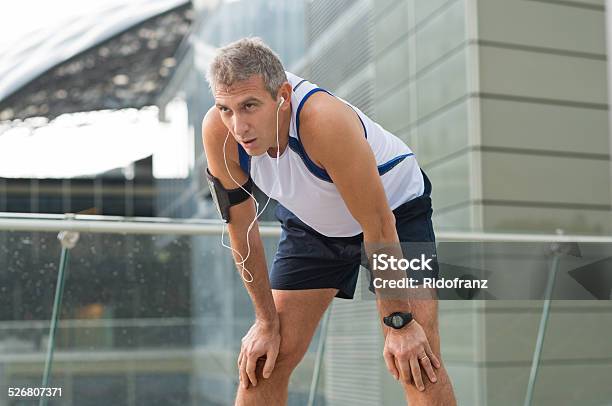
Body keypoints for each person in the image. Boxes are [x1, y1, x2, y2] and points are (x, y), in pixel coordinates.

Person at [202, 37, 457, 405]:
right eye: (225, 108)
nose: (238, 126)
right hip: (313, 225)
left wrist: (398, 323)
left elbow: (379, 226)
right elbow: (241, 233)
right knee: (263, 363)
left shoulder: (324, 121)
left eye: (249, 106)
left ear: (283, 95)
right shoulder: (220, 133)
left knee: (416, 359)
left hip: (395, 215)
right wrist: (265, 321)